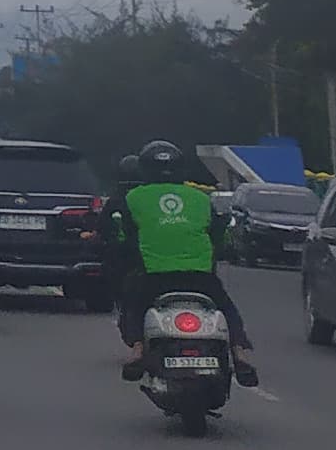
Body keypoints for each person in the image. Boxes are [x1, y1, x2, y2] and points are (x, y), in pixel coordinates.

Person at [107, 142, 258, 386]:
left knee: (133, 303)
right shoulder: (200, 198)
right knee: (227, 308)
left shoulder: (133, 197)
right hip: (201, 277)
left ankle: (137, 349)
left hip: (154, 276)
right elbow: (218, 234)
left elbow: (124, 236)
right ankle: (240, 352)